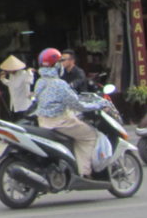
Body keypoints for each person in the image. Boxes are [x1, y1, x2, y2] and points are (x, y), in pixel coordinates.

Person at [33, 47, 101, 177]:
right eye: (61, 61)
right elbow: (77, 104)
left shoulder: (40, 82)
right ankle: (84, 172)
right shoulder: (60, 84)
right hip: (60, 122)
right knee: (90, 136)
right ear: (56, 65)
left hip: (43, 122)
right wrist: (99, 104)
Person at [0, 55, 34, 119]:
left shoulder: (24, 74)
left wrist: (30, 73)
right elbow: (11, 84)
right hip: (14, 104)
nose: (8, 71)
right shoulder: (11, 76)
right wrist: (3, 79)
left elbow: (29, 85)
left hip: (23, 105)